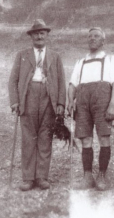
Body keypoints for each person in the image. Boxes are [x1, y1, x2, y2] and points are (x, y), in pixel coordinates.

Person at [8, 19, 66, 191]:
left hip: (49, 98)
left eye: (42, 33)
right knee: (28, 138)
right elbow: (13, 81)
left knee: (45, 138)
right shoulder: (22, 55)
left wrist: (61, 103)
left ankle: (41, 176)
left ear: (47, 35)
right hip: (29, 97)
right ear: (31, 36)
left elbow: (61, 81)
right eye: (36, 33)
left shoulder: (55, 56)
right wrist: (15, 101)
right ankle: (27, 178)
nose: (39, 36)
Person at [67, 27, 114, 191]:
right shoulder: (80, 62)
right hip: (83, 103)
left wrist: (112, 105)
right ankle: (87, 176)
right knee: (85, 139)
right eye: (90, 36)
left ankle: (102, 176)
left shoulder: (111, 59)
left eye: (96, 36)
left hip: (103, 102)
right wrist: (70, 100)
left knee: (104, 138)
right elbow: (72, 84)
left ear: (103, 41)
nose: (92, 39)